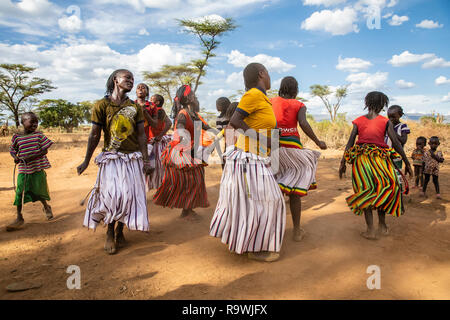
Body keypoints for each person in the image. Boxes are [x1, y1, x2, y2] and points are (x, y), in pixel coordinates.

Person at [210, 63, 286, 262]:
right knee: (269, 200)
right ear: (261, 74)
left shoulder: (262, 98)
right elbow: (234, 121)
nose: (270, 77)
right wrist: (264, 140)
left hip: (257, 157)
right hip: (248, 157)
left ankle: (248, 242)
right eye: (268, 73)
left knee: (256, 202)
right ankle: (255, 247)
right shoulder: (252, 95)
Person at [77, 69, 152, 255]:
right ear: (115, 80)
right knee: (111, 196)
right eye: (127, 78)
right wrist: (86, 160)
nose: (131, 81)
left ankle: (120, 231)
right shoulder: (102, 105)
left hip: (131, 158)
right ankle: (109, 231)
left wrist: (145, 160)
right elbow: (94, 135)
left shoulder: (136, 108)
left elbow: (142, 136)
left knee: (128, 197)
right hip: (111, 158)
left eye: (132, 79)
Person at [339, 91, 412, 240]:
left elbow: (350, 143)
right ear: (382, 105)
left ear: (367, 103)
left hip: (362, 161)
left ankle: (370, 230)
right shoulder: (385, 122)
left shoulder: (358, 121)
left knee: (366, 192)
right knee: (382, 189)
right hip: (380, 160)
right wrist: (406, 162)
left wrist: (343, 162)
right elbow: (397, 144)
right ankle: (382, 226)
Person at [270, 76, 327, 242]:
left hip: (273, 147)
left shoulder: (270, 101)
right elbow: (303, 123)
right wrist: (318, 141)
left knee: (274, 189)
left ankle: (274, 232)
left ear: (281, 87)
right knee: (294, 192)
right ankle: (296, 231)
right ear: (296, 90)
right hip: (293, 148)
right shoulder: (299, 105)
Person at [153, 84, 209, 220]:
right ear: (188, 98)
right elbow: (180, 132)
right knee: (188, 182)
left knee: (195, 181)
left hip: (192, 151)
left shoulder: (195, 114)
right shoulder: (183, 114)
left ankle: (187, 209)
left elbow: (207, 127)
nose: (195, 96)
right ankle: (186, 211)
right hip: (183, 152)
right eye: (193, 94)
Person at [7, 112, 53, 231]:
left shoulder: (38, 135)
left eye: (36, 122)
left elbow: (44, 151)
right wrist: (15, 157)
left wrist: (30, 158)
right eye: (31, 121)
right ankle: (19, 217)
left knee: (38, 191)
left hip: (37, 168)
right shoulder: (17, 137)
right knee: (19, 192)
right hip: (23, 169)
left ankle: (46, 206)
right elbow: (12, 150)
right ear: (23, 123)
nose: (35, 124)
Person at [135, 83, 172, 190]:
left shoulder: (156, 109)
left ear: (157, 102)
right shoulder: (132, 105)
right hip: (142, 141)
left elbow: (168, 123)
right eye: (138, 87)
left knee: (152, 165)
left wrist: (160, 135)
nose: (151, 100)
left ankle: (154, 186)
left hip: (152, 141)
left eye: (153, 99)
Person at [385, 105, 410, 171]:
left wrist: (392, 131)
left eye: (393, 117)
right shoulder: (386, 126)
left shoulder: (402, 126)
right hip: (385, 155)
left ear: (400, 115)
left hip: (396, 156)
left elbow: (403, 140)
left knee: (396, 174)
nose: (391, 119)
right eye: (389, 117)